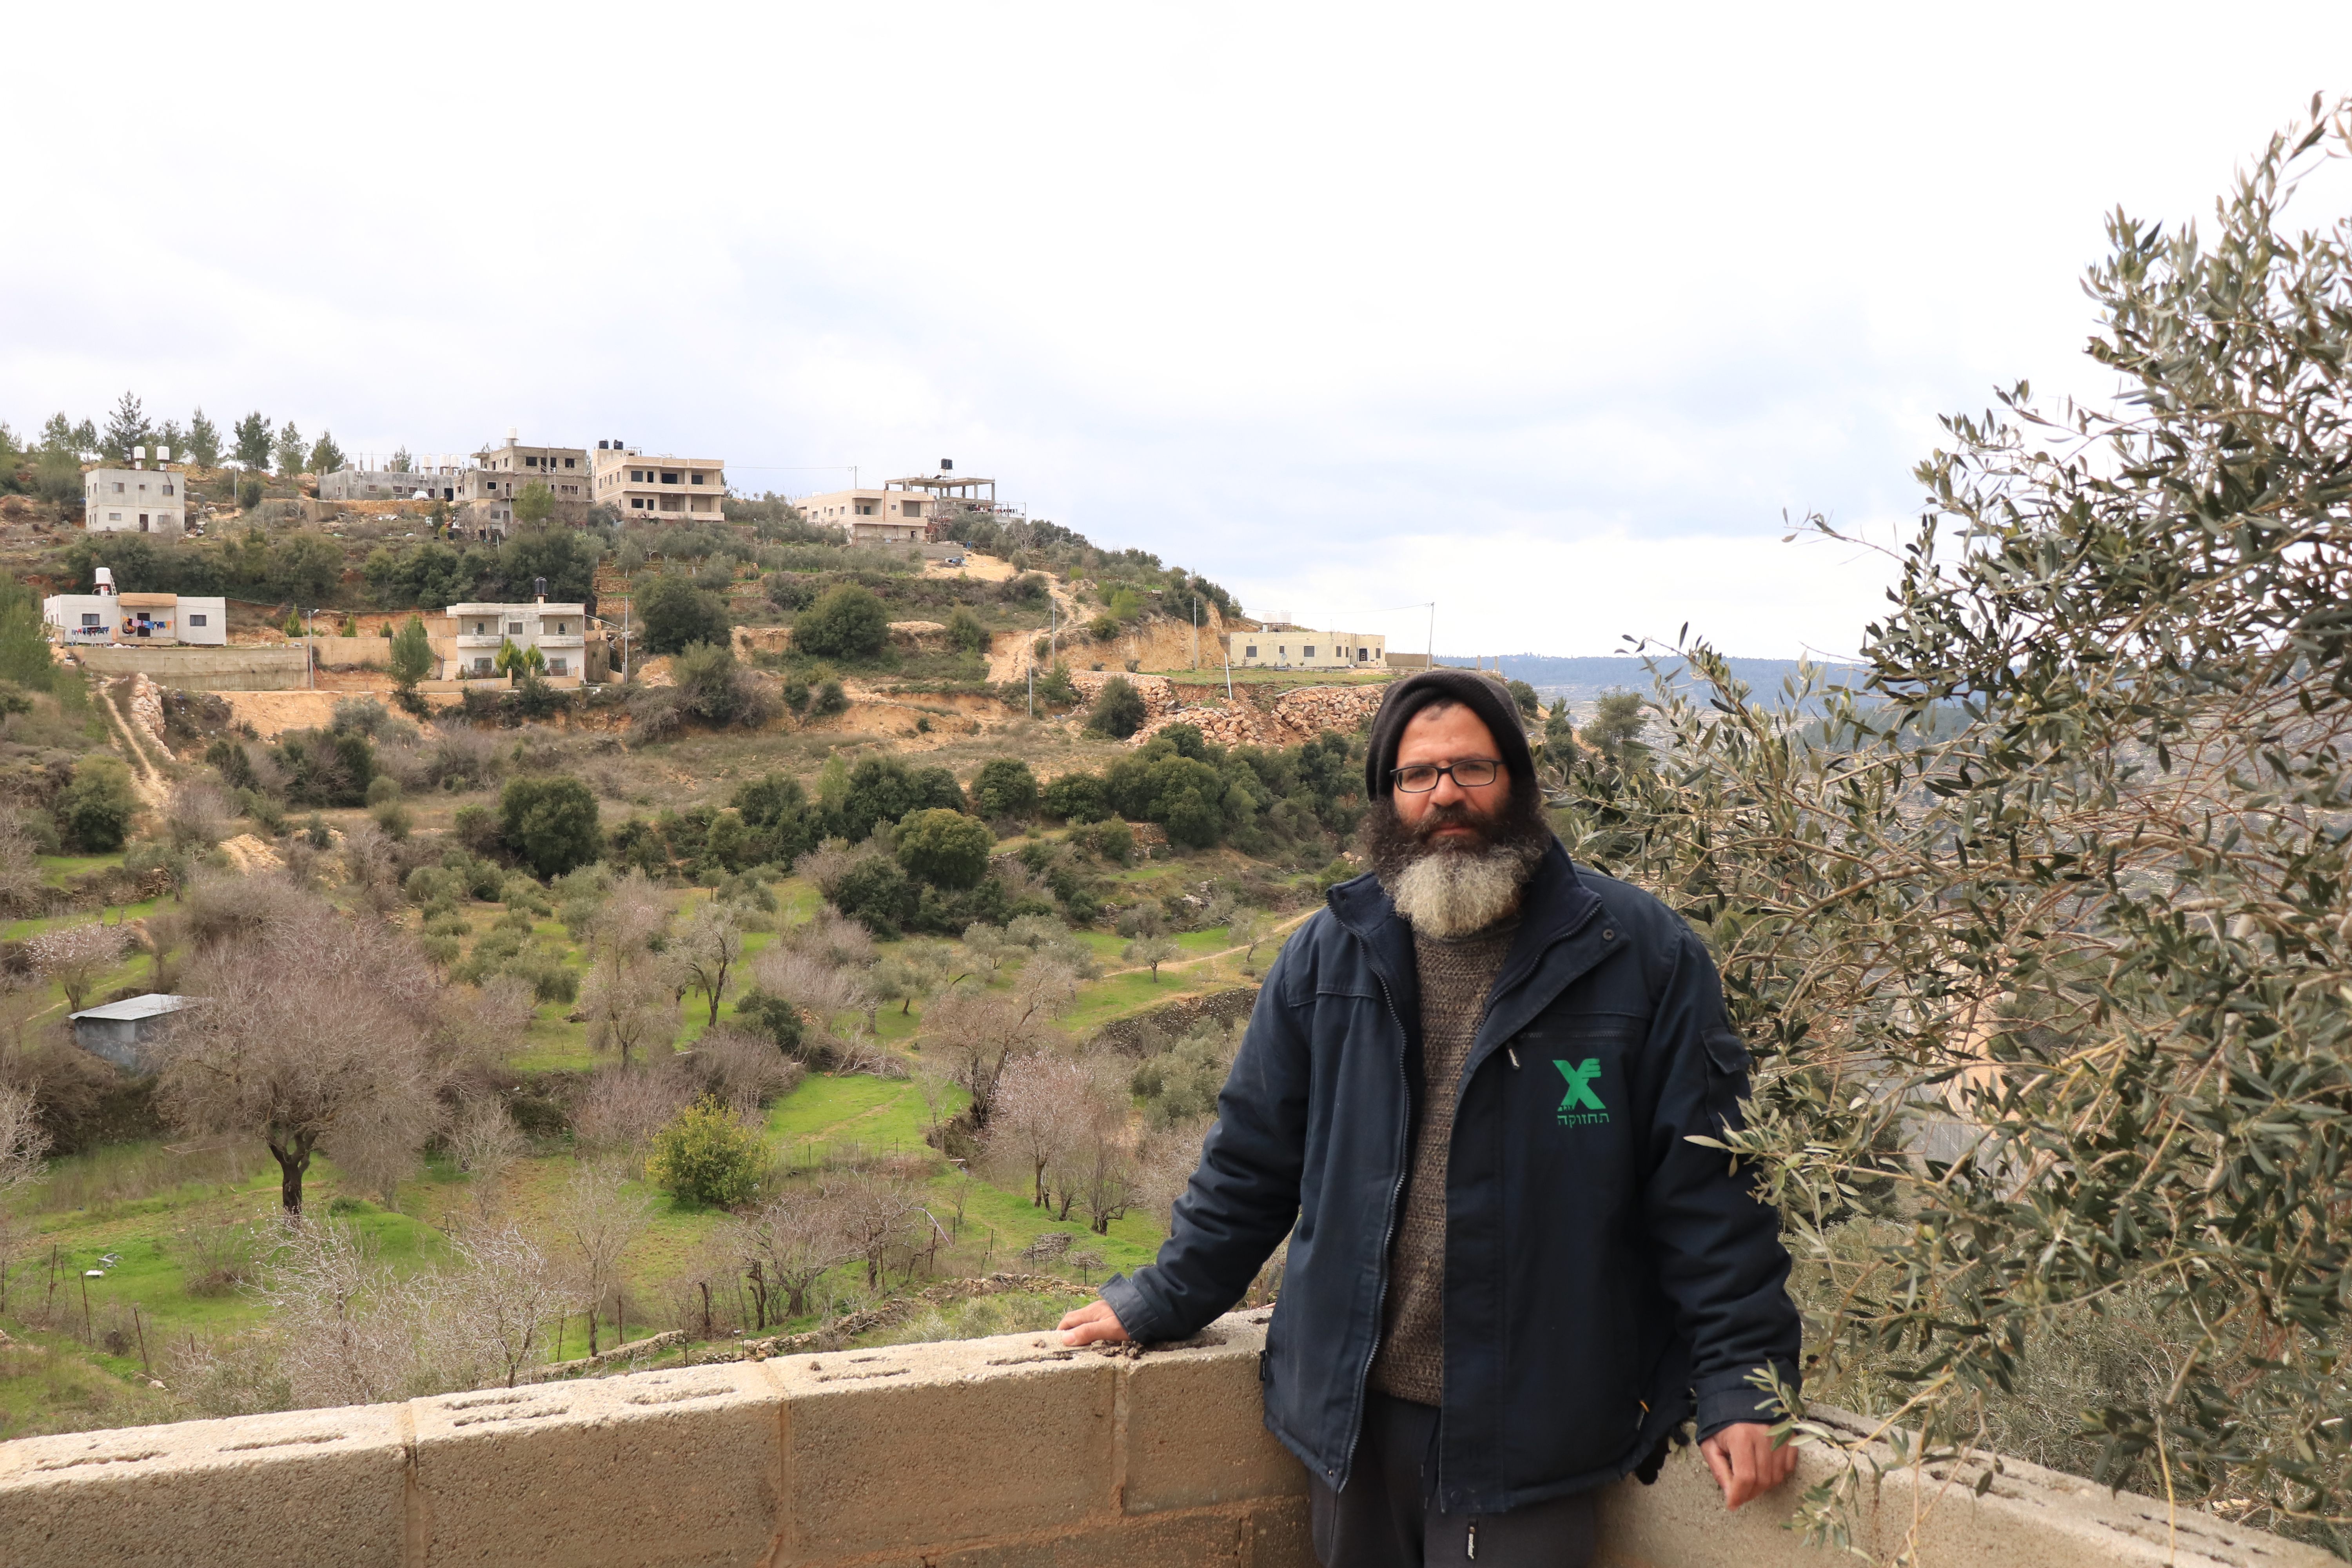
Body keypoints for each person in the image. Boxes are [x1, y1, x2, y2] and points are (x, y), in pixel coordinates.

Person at [1060, 668, 1801, 1568]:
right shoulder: (1330, 950)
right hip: (1355, 1423)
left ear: (1519, 783)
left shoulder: (1641, 955)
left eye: (1472, 768)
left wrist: (1741, 1380)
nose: (1445, 792)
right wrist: (1165, 1296)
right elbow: (1253, 1157)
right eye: (1418, 774)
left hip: (1535, 1433)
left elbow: (1712, 1192)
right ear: (1389, 796)